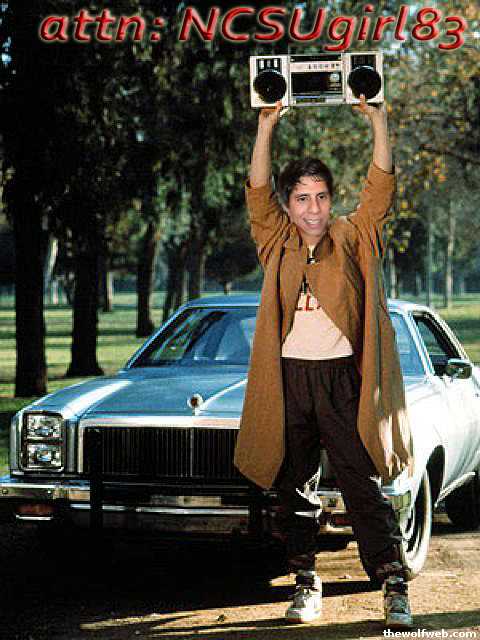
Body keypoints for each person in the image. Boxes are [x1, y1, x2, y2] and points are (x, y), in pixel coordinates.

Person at [234, 95, 414, 629]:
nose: (312, 209)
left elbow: (379, 190)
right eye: (302, 199)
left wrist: (378, 119)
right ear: (290, 206)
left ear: (331, 201)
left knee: (360, 484)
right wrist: (266, 126)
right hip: (289, 380)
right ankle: (305, 583)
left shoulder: (353, 236)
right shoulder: (277, 242)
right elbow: (257, 193)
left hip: (342, 380)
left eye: (321, 197)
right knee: (293, 486)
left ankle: (394, 585)